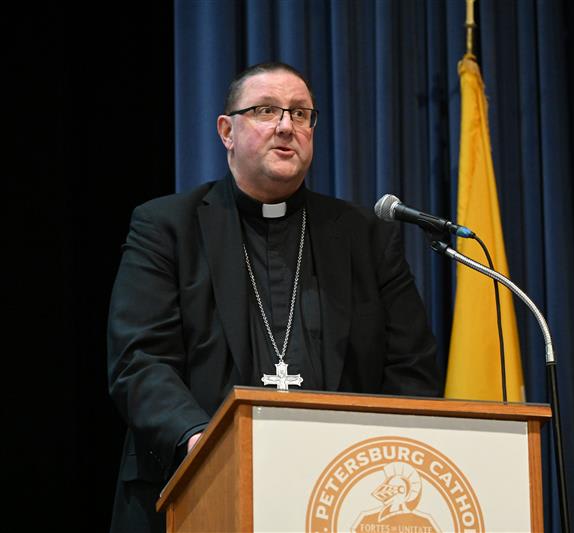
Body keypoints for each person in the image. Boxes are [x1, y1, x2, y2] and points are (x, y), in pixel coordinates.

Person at [107, 61, 443, 533]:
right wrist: (197, 437)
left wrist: (372, 460)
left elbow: (412, 369)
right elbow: (138, 360)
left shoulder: (364, 236)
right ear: (227, 130)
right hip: (194, 491)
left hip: (339, 499)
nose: (286, 126)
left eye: (301, 114)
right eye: (266, 111)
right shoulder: (167, 228)